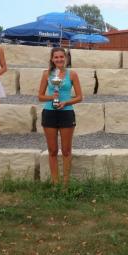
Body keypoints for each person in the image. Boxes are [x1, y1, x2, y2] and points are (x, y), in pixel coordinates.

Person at [38, 48, 83, 187]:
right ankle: (55, 183)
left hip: (66, 113)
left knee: (66, 150)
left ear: (66, 58)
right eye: (56, 57)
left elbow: (80, 97)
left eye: (61, 57)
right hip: (49, 112)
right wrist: (52, 97)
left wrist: (65, 102)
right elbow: (40, 96)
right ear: (52, 59)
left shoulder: (72, 74)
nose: (59, 59)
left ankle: (65, 184)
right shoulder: (46, 74)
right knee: (52, 150)